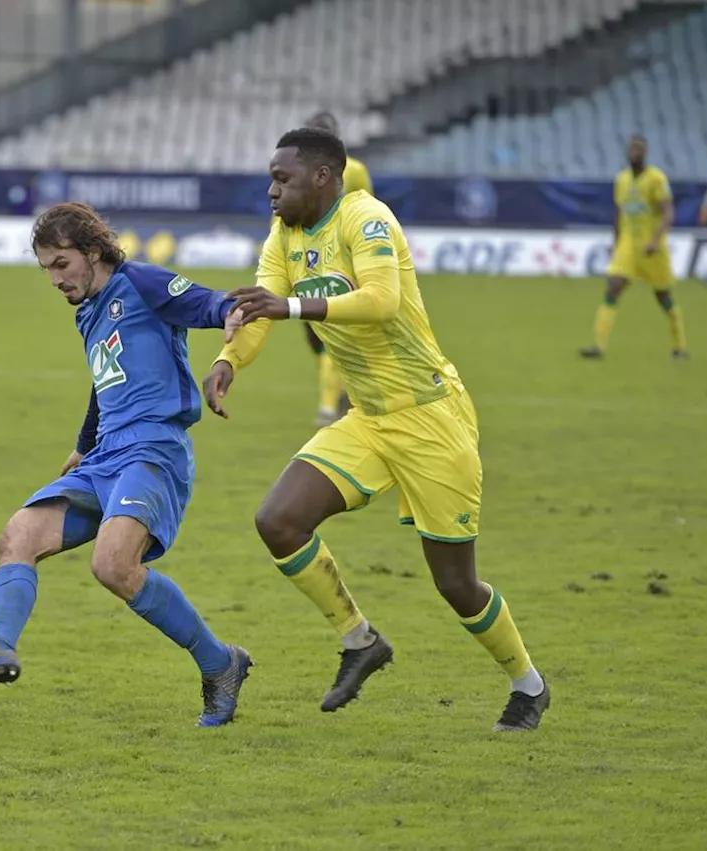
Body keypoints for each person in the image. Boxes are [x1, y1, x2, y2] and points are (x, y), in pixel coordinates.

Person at [203, 128, 549, 732]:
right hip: (368, 417)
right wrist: (230, 359)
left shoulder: (366, 218)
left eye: (282, 179)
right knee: (278, 521)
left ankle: (529, 686)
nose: (271, 190)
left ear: (322, 177)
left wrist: (290, 308)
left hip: (431, 418)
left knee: (456, 584)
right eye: (271, 178)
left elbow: (383, 300)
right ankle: (360, 641)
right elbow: (261, 308)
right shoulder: (284, 237)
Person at [0, 202, 252, 728]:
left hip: (152, 450)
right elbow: (105, 385)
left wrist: (228, 314)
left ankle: (220, 664)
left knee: (113, 566)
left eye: (61, 264)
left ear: (93, 252)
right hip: (105, 456)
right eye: (46, 269)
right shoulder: (88, 313)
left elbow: (202, 302)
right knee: (18, 535)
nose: (55, 279)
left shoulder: (138, 282)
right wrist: (81, 447)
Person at [580, 135, 686, 359]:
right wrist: (617, 244)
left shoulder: (656, 178)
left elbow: (668, 212)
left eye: (637, 149)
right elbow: (619, 214)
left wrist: (655, 240)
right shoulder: (622, 180)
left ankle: (680, 346)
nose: (633, 152)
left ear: (645, 152)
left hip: (652, 247)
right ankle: (598, 346)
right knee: (613, 286)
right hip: (628, 244)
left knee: (663, 296)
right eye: (630, 149)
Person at [303, 111, 373, 427]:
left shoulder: (355, 171)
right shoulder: (295, 174)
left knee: (333, 337)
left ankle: (329, 407)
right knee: (320, 343)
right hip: (306, 270)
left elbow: (369, 215)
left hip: (341, 270)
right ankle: (347, 392)